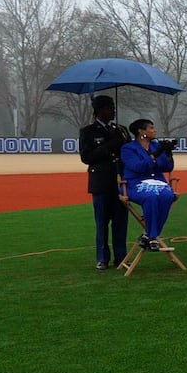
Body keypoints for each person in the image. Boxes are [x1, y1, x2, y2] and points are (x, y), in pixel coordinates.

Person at [78, 95, 131, 270]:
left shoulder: (121, 130)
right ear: (99, 110)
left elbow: (130, 153)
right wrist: (108, 146)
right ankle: (102, 258)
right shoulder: (88, 131)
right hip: (101, 182)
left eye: (113, 107)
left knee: (120, 222)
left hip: (120, 181)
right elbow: (86, 157)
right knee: (101, 223)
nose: (113, 111)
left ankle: (121, 257)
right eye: (109, 108)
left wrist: (121, 142)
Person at [120, 118, 177, 251]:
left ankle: (148, 235)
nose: (154, 130)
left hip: (157, 181)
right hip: (135, 183)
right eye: (151, 128)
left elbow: (167, 168)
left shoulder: (156, 146)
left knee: (168, 196)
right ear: (141, 132)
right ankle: (152, 237)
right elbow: (138, 167)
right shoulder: (128, 148)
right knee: (150, 196)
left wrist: (168, 153)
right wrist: (156, 154)